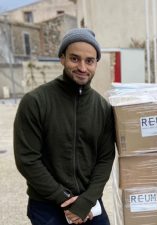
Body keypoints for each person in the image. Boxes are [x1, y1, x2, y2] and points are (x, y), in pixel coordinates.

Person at [14, 28, 116, 225]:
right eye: (75, 59)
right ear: (62, 58)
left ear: (96, 63)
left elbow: (105, 158)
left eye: (89, 61)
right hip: (47, 203)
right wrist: (63, 198)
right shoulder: (35, 102)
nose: (82, 67)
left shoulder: (102, 108)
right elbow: (27, 159)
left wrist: (86, 200)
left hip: (89, 203)